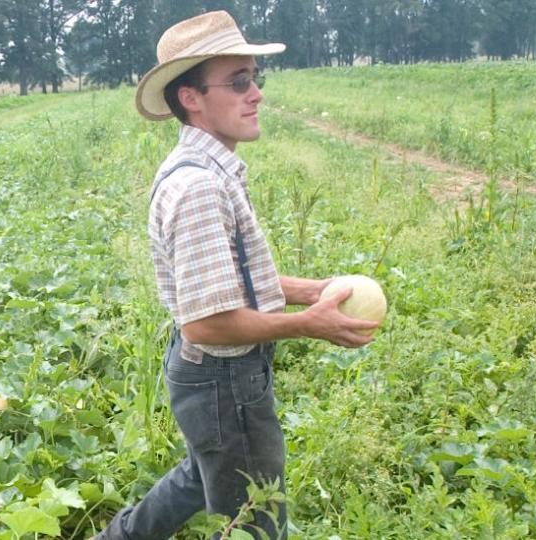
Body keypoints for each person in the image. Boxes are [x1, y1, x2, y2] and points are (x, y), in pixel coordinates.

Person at [96, 11, 378, 540]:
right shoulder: (200, 187)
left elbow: (228, 280)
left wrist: (309, 291)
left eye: (256, 78)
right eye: (239, 81)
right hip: (223, 379)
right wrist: (308, 323)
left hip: (210, 376)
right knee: (258, 516)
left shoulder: (205, 169)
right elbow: (208, 323)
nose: (257, 94)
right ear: (191, 98)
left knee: (201, 475)